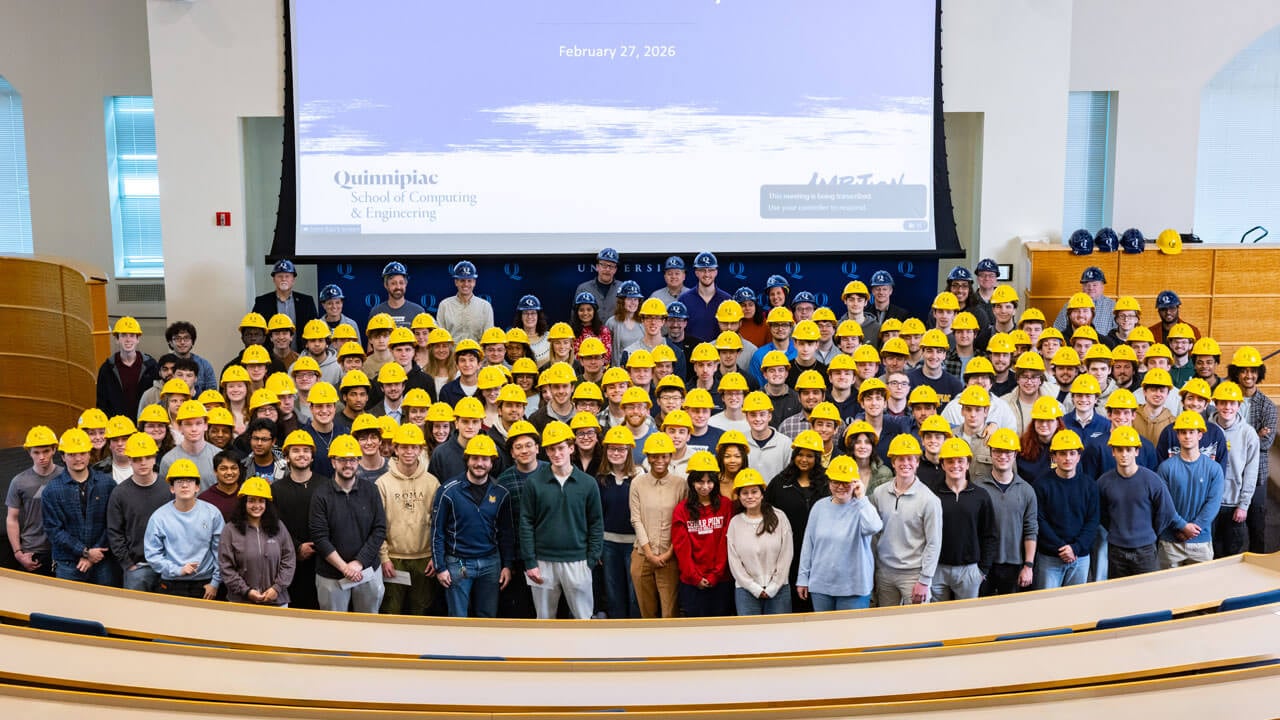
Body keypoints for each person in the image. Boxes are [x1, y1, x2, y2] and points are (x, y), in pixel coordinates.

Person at [518, 422, 604, 619]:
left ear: (571, 448)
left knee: (584, 619)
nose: (556, 454)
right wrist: (530, 561)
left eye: (561, 448)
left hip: (578, 561)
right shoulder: (534, 482)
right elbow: (526, 523)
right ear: (546, 452)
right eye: (551, 449)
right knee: (544, 620)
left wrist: (591, 559)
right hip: (542, 562)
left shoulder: (588, 483)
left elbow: (596, 523)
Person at [431, 434, 515, 618]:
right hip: (458, 563)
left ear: (492, 463)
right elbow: (437, 532)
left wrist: (507, 565)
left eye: (485, 459)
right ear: (467, 460)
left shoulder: (501, 493)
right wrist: (440, 567)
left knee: (488, 617)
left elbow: (507, 533)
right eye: (475, 458)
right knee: (458, 617)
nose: (479, 463)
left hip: (491, 563)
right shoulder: (448, 491)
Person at [311, 434, 388, 613]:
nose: (348, 464)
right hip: (331, 575)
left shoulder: (371, 490)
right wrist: (344, 567)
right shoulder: (320, 495)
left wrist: (359, 563)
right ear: (333, 462)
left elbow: (379, 529)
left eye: (352, 460)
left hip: (367, 571)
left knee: (368, 622)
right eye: (342, 460)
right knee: (333, 626)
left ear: (358, 462)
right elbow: (319, 537)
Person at [796, 456, 882, 611]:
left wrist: (862, 498)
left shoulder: (862, 507)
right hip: (821, 586)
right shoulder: (819, 507)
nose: (840, 486)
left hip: (854, 588)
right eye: (836, 481)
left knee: (851, 628)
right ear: (829, 482)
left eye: (846, 482)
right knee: (824, 628)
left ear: (855, 482)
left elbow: (874, 527)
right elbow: (808, 545)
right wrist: (802, 577)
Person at [870, 434, 943, 606]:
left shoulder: (929, 500)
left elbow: (934, 543)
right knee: (887, 620)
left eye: (910, 459)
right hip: (885, 572)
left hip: (914, 575)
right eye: (900, 459)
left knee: (917, 621)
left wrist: (925, 580)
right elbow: (874, 534)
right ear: (893, 462)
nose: (905, 463)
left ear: (917, 462)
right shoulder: (879, 493)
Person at [375, 424, 441, 615]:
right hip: (394, 559)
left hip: (424, 559)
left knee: (420, 612)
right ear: (395, 449)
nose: (409, 451)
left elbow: (438, 524)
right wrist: (384, 558)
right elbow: (377, 525)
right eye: (404, 447)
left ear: (420, 450)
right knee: (391, 612)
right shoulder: (382, 483)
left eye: (414, 447)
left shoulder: (432, 482)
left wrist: (435, 556)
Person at [1096, 427, 1178, 579]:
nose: (1124, 454)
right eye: (1119, 450)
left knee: (1147, 591)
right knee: (1118, 591)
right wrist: (1116, 530)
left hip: (1145, 550)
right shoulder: (1104, 482)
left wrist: (1148, 532)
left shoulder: (1152, 480)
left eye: (1129, 450)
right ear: (1113, 452)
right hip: (1116, 550)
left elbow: (1167, 512)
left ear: (1137, 452)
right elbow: (1100, 513)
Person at [41, 429, 118, 585]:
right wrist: (85, 552)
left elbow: (113, 523)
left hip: (102, 560)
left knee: (105, 601)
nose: (78, 458)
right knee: (67, 601)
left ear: (89, 454)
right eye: (72, 454)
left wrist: (94, 553)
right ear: (63, 457)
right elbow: (54, 530)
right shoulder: (51, 491)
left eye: (82, 453)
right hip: (68, 563)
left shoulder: (107, 484)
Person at [764, 430, 829, 612]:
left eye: (810, 456)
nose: (804, 459)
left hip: (820, 554)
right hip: (787, 554)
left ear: (817, 458)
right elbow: (766, 514)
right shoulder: (779, 482)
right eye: (800, 454)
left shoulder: (828, 483)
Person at [143, 459, 224, 598]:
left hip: (205, 583)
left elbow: (221, 551)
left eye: (189, 481)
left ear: (197, 487)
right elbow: (152, 554)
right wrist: (177, 570)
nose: (185, 485)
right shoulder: (159, 517)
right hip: (171, 582)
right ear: (172, 488)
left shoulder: (212, 513)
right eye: (179, 482)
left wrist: (215, 583)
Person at [929, 438, 997, 601]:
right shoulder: (931, 495)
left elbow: (990, 534)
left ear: (968, 464)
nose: (955, 465)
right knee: (937, 615)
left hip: (970, 570)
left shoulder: (981, 496)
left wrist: (982, 570)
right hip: (937, 569)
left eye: (960, 461)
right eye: (950, 461)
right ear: (943, 465)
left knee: (967, 616)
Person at [629, 432, 687, 618]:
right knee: (647, 612)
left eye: (664, 456)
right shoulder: (637, 483)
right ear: (648, 457)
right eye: (654, 456)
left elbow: (682, 522)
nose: (659, 460)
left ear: (670, 457)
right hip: (642, 553)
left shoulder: (681, 484)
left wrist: (669, 552)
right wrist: (648, 553)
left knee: (670, 612)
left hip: (670, 555)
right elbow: (636, 519)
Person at [1156, 411, 1225, 568]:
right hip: (1170, 541)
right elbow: (1163, 504)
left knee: (1202, 584)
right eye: (1183, 432)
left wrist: (1192, 529)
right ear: (1177, 436)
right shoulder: (1165, 468)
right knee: (1169, 583)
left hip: (1201, 541)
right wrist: (1182, 526)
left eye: (1191, 432)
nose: (1187, 436)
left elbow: (1213, 504)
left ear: (1200, 435)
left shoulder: (1214, 469)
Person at [104, 432, 172, 591]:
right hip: (137, 567)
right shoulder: (119, 493)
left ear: (155, 458)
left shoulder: (168, 488)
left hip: (168, 565)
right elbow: (114, 532)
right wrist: (127, 563)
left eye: (147, 457)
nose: (143, 463)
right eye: (137, 459)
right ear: (129, 460)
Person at [974, 428, 1038, 596]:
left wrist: (1028, 566)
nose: (1003, 456)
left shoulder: (1026, 491)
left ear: (1015, 454)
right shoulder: (978, 488)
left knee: (1011, 611)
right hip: (982, 565)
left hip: (1014, 565)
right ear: (990, 453)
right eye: (997, 451)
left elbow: (1031, 530)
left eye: (1008, 452)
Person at [1226, 347, 1276, 554]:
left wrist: (1238, 440)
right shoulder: (1226, 399)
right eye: (1244, 370)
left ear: (1259, 373)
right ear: (1236, 373)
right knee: (1229, 528)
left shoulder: (1267, 406)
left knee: (1256, 526)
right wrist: (1255, 434)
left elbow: (1266, 443)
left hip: (1257, 475)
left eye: (1253, 371)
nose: (1248, 375)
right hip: (1229, 471)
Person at [1033, 430, 1099, 589]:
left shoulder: (1089, 485)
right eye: (1062, 453)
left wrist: (1075, 548)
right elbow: (1039, 520)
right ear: (1054, 457)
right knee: (1047, 602)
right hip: (1049, 558)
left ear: (1079, 457)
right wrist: (1061, 548)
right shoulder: (1041, 485)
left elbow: (1093, 521)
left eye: (1072, 453)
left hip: (1080, 557)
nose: (1067, 458)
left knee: (1077, 603)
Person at [671, 451, 734, 617]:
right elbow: (681, 549)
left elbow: (726, 543)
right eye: (700, 481)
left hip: (721, 580)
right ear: (692, 482)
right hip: (691, 582)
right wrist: (695, 577)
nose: (705, 487)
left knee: (721, 626)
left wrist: (715, 575)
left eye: (709, 481)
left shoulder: (726, 506)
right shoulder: (681, 510)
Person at [218, 477, 295, 606]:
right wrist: (246, 591)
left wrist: (277, 588)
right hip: (241, 602)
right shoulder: (230, 530)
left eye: (261, 501)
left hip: (277, 601)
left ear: (267, 504)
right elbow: (226, 566)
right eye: (251, 501)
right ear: (244, 503)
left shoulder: (279, 526)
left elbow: (289, 560)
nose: (257, 506)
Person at [725, 468, 792, 615]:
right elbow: (734, 562)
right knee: (750, 630)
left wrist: (774, 586)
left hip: (779, 589)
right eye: (745, 493)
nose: (750, 496)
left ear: (762, 494)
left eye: (754, 492)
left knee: (781, 629)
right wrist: (753, 588)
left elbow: (786, 554)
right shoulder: (735, 523)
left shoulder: (779, 517)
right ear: (739, 496)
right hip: (746, 591)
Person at [495, 420, 544, 618]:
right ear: (512, 453)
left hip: (548, 555)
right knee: (521, 612)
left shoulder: (551, 473)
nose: (524, 451)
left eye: (528, 445)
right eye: (518, 447)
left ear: (537, 448)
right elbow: (503, 527)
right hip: (518, 558)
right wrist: (507, 562)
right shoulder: (503, 481)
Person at [271, 429, 324, 609]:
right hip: (288, 563)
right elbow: (274, 525)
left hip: (322, 561)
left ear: (312, 456)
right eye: (295, 450)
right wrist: (297, 547)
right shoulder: (276, 489)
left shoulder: (326, 485)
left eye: (306, 450)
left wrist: (317, 546)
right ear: (286, 457)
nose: (301, 454)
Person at [597, 426, 641, 619]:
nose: (616, 453)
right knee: (613, 593)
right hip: (608, 545)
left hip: (634, 544)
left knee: (634, 594)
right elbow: (597, 516)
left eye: (621, 449)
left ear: (629, 451)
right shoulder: (600, 479)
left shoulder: (639, 476)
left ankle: (635, 632)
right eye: (612, 449)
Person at [1211, 381, 1259, 559]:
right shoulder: (1205, 430)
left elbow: (1251, 472)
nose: (1227, 407)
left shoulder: (1248, 434)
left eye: (1232, 403)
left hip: (1234, 505)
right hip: (1210, 503)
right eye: (1223, 402)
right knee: (1209, 554)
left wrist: (1243, 505)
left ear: (1239, 406)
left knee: (1231, 554)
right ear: (1215, 404)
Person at [7, 426, 60, 575]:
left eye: (46, 451)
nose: (41, 457)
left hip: (62, 549)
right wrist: (18, 552)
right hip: (32, 550)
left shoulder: (66, 476)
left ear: (54, 450)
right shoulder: (19, 481)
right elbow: (12, 519)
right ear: (29, 452)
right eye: (36, 452)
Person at [97, 316, 161, 418]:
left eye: (132, 335)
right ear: (117, 339)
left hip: (146, 422)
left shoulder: (151, 366)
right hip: (117, 425)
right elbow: (101, 404)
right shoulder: (107, 368)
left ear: (137, 339)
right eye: (123, 335)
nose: (128, 340)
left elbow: (158, 397)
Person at [252, 259, 318, 349]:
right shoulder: (262, 302)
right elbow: (256, 331)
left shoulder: (306, 302)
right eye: (280, 276)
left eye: (287, 276)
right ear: (274, 279)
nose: (283, 279)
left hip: (302, 354)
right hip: (270, 355)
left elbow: (314, 329)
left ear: (293, 280)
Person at [158, 400, 220, 491]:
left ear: (206, 426)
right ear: (180, 427)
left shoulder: (218, 456)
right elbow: (165, 494)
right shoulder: (169, 460)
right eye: (188, 424)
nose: (194, 429)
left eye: (198, 423)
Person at [676, 251, 731, 343]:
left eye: (710, 270)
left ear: (716, 272)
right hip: (691, 350)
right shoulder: (684, 299)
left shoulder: (726, 299)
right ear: (696, 272)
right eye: (702, 270)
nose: (706, 274)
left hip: (720, 349)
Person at [1053, 266, 1116, 336]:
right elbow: (1057, 331)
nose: (1091, 288)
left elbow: (1117, 335)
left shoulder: (1113, 306)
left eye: (1094, 285)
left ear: (1102, 286)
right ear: (1082, 287)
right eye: (1087, 285)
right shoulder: (1070, 305)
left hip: (1104, 342)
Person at [368, 261, 426, 328]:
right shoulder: (376, 313)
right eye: (393, 283)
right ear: (386, 285)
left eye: (401, 283)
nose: (398, 287)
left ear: (406, 284)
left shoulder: (418, 312)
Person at [164, 320, 217, 394]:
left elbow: (212, 392)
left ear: (192, 342)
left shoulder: (204, 365)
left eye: (186, 338)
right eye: (177, 338)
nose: (182, 342)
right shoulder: (164, 365)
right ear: (170, 342)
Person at [575, 247, 621, 319]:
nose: (607, 269)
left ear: (615, 270)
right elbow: (575, 317)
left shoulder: (623, 289)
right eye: (604, 265)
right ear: (597, 267)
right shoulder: (583, 289)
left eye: (611, 266)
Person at [198, 450, 244, 520]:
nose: (229, 472)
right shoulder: (204, 500)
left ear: (239, 470)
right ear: (215, 471)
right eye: (223, 469)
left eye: (233, 468)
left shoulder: (247, 494)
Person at [607, 280, 645, 362]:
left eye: (635, 299)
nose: (633, 302)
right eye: (629, 299)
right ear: (622, 301)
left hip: (641, 367)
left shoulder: (644, 322)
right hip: (619, 368)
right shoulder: (611, 323)